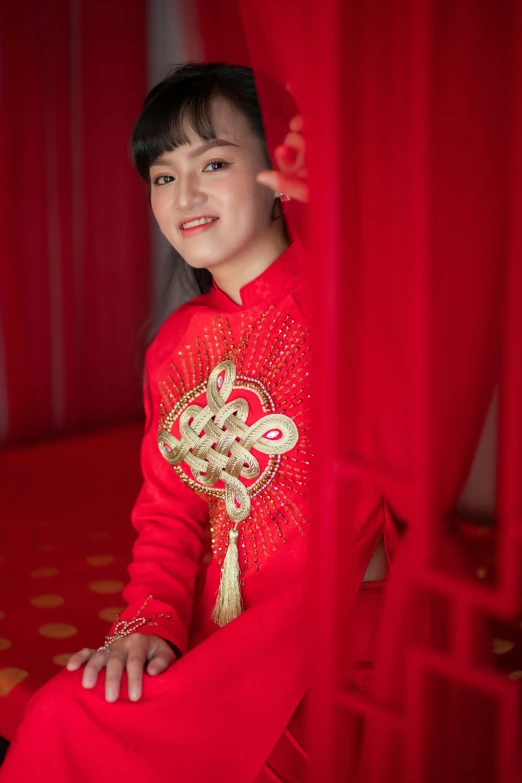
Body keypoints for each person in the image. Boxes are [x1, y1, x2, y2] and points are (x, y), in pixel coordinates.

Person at [0, 62, 389, 783]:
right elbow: (171, 514)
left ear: (280, 176)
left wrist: (334, 215)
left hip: (339, 639)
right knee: (69, 705)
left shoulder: (348, 302)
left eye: (213, 161)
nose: (185, 195)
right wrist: (146, 625)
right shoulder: (174, 344)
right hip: (219, 639)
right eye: (163, 176)